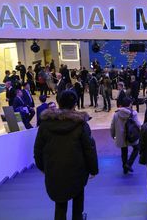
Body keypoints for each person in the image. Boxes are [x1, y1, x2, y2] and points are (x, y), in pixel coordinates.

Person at [34, 90, 99, 220]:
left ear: (59, 102)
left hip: (54, 170)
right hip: (77, 170)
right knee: (78, 198)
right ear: (75, 104)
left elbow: (38, 149)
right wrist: (93, 170)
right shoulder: (81, 124)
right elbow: (89, 149)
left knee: (60, 202)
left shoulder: (45, 124)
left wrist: (42, 168)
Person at [110, 97, 141, 174]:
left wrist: (113, 135)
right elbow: (138, 124)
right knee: (137, 148)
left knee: (124, 151)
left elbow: (112, 126)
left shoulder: (116, 114)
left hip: (121, 137)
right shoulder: (133, 113)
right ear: (130, 104)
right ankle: (129, 163)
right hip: (131, 136)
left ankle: (125, 169)